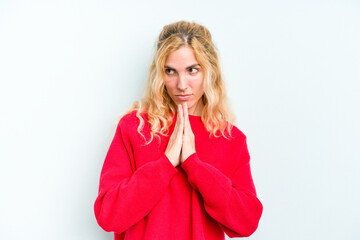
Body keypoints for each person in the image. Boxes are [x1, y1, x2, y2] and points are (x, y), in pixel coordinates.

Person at [93, 20, 263, 240]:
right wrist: (165, 163)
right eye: (170, 71)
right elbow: (108, 216)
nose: (181, 84)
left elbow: (247, 222)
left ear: (209, 72)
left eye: (192, 70)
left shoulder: (230, 139)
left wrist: (194, 165)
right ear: (160, 75)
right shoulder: (135, 128)